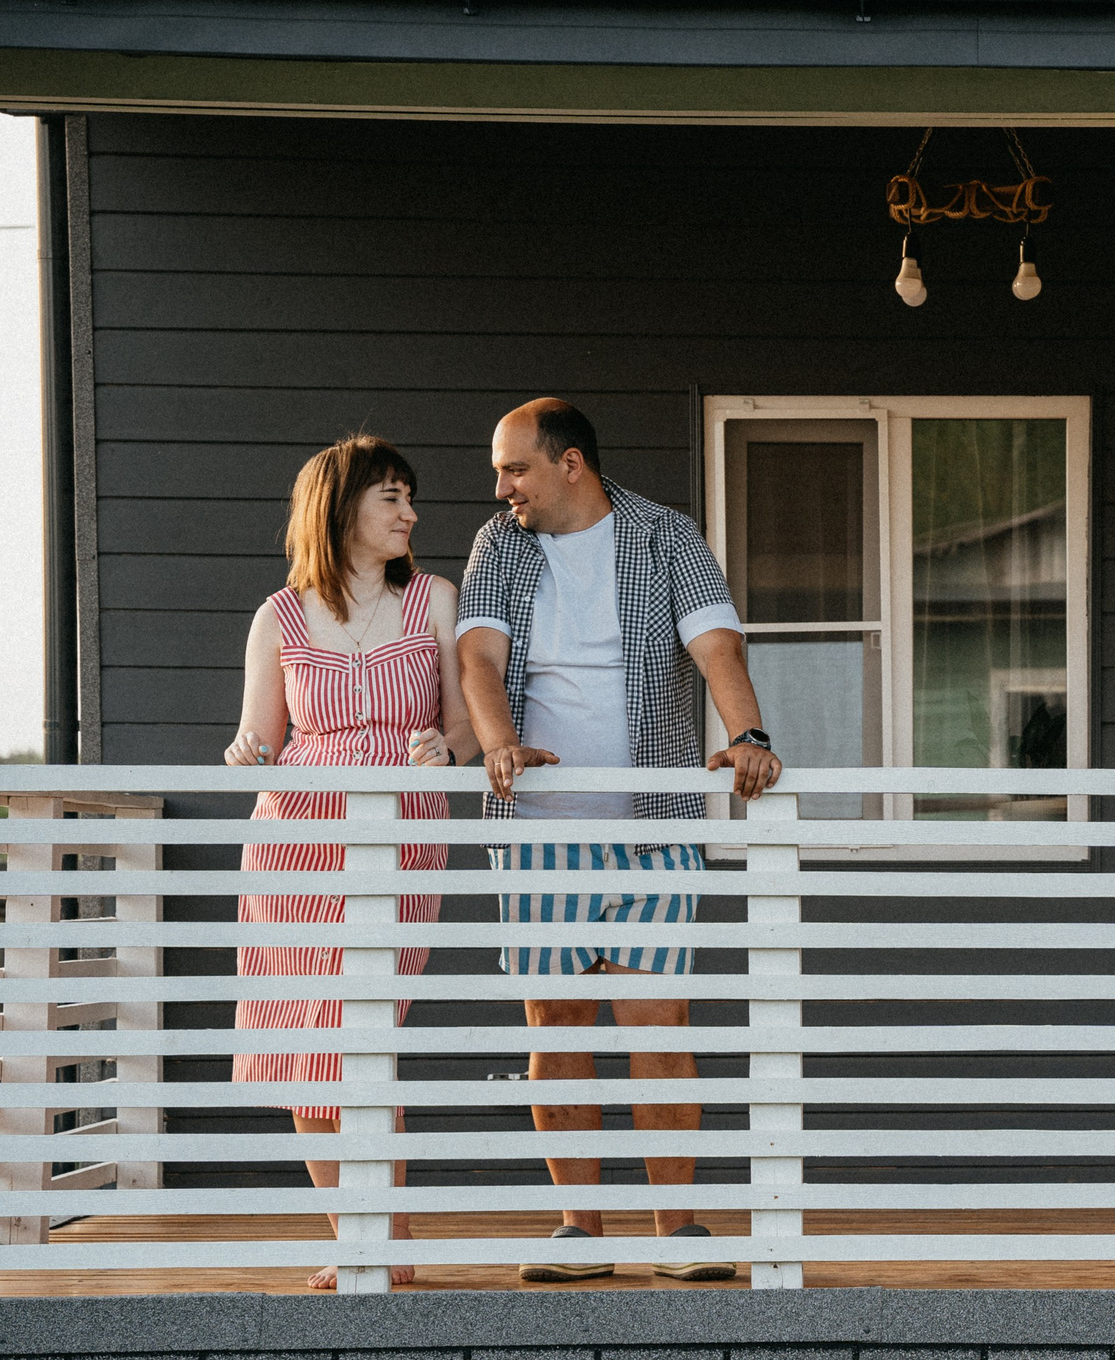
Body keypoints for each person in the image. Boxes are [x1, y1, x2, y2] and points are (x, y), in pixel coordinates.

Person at [457, 398, 782, 1285]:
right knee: (555, 1022)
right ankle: (580, 1230)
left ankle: (676, 1231)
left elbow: (718, 648)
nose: (502, 486)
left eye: (515, 467)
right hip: (535, 832)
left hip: (655, 829)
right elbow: (478, 659)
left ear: (569, 465)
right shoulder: (499, 546)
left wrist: (747, 736)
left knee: (658, 1021)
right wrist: (498, 744)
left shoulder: (666, 536)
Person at [227, 435, 473, 1291]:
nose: (411, 514)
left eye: (410, 498)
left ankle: (385, 1237)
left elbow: (466, 723)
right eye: (392, 498)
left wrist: (446, 746)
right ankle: (365, 1238)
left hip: (400, 827)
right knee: (306, 1039)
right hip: (296, 836)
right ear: (341, 511)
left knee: (364, 1030)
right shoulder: (279, 616)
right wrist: (244, 750)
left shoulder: (435, 598)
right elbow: (261, 734)